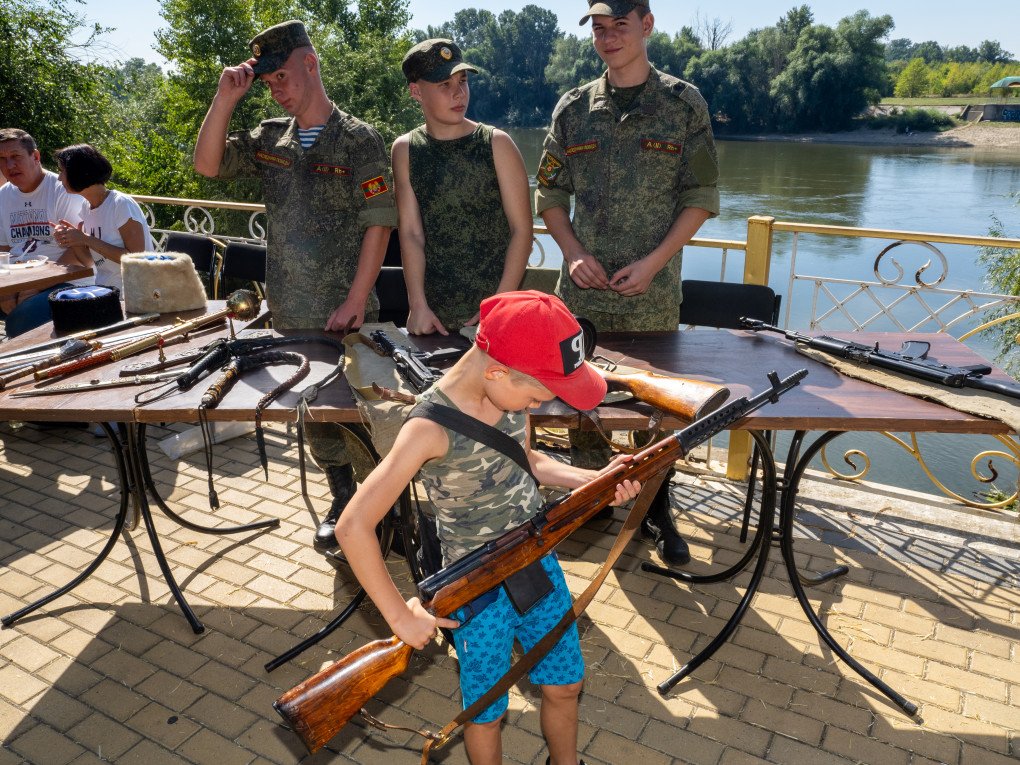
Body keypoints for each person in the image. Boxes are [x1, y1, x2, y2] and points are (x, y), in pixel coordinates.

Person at [336, 291, 639, 765]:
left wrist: (594, 480)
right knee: (484, 712)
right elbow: (353, 525)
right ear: (497, 370)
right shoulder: (428, 429)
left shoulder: (508, 391)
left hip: (536, 563)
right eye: (540, 394)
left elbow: (526, 458)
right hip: (476, 590)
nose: (542, 403)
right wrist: (399, 617)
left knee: (566, 684)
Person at [193, 20, 398, 554]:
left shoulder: (358, 139)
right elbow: (207, 165)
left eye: (282, 75)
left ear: (311, 63)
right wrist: (224, 99)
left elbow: (380, 221)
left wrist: (356, 298)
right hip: (291, 307)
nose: (276, 89)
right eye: (268, 82)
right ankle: (341, 499)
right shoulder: (268, 138)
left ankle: (383, 507)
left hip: (348, 309)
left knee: (363, 411)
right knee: (314, 416)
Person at [534, 0, 720, 566]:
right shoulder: (572, 109)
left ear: (646, 25)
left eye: (620, 25)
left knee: (655, 413)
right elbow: (550, 196)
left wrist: (656, 261)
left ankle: (657, 508)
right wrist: (572, 254)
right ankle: (592, 499)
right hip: (584, 297)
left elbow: (701, 198)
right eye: (599, 27)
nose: (608, 37)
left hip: (652, 296)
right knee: (581, 405)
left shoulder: (683, 104)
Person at [393, 38, 531, 334]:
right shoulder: (405, 150)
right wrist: (417, 305)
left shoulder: (496, 143)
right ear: (416, 91)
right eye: (444, 84)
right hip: (433, 320)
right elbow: (411, 233)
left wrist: (498, 306)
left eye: (463, 80)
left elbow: (522, 231)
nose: (459, 92)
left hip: (498, 315)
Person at [0, 128, 91, 337]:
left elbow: (78, 253)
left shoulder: (63, 190)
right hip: (18, 282)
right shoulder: (3, 196)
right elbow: (3, 249)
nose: (9, 166)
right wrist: (6, 288)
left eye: (15, 157)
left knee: (19, 321)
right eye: (2, 159)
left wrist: (37, 285)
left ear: (36, 156)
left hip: (66, 282)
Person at [52, 144, 154, 291]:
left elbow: (135, 258)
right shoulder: (86, 208)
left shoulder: (120, 204)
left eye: (62, 171)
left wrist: (86, 239)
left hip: (136, 292)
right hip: (105, 290)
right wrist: (74, 240)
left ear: (79, 172)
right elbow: (89, 261)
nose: (59, 178)